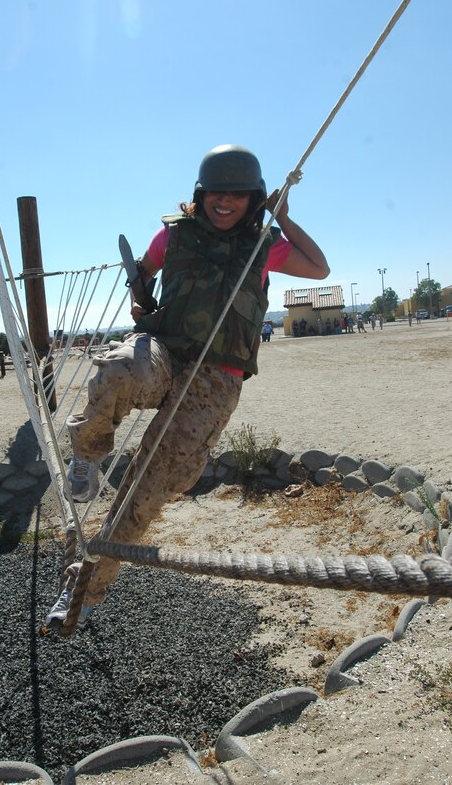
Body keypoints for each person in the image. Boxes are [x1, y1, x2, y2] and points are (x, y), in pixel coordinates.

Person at [46, 144, 329, 626]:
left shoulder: (266, 244)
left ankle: (87, 589)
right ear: (201, 194)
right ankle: (85, 456)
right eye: (217, 192)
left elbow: (318, 268)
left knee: (155, 484)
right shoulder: (171, 237)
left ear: (254, 198)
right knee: (118, 369)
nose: (226, 202)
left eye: (238, 195)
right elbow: (146, 272)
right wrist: (143, 300)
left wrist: (282, 218)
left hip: (217, 378)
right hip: (166, 352)